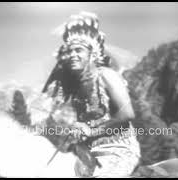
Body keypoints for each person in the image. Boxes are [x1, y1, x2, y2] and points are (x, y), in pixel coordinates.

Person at [43, 11, 140, 177]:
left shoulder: (106, 75)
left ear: (92, 53)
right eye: (69, 51)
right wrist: (77, 132)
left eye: (79, 50)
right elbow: (84, 124)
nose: (72, 55)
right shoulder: (75, 87)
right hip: (91, 152)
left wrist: (90, 130)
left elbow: (127, 114)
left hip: (119, 149)